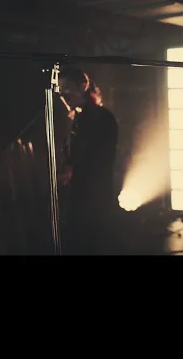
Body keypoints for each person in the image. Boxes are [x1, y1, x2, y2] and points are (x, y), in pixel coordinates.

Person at [57, 66, 119, 254]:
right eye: (61, 89)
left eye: (67, 88)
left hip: (93, 194)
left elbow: (92, 156)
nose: (63, 94)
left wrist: (70, 168)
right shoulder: (78, 117)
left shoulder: (100, 118)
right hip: (82, 192)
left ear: (82, 86)